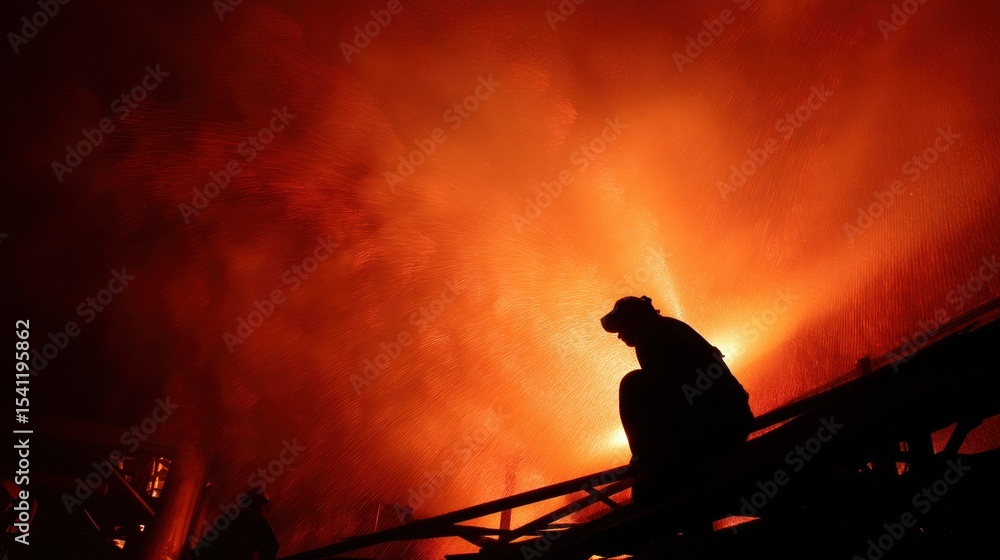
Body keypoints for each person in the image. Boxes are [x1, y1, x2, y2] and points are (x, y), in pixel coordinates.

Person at [601, 295, 753, 504]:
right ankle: (654, 463)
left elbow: (669, 401)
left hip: (719, 426)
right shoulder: (662, 328)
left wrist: (651, 457)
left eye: (620, 328)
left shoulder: (649, 335)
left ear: (632, 320)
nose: (619, 336)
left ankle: (647, 462)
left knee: (631, 383)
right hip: (733, 419)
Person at [195, 486, 279, 560]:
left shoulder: (230, 516)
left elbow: (208, 540)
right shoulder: (261, 523)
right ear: (261, 505)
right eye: (266, 506)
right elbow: (272, 548)